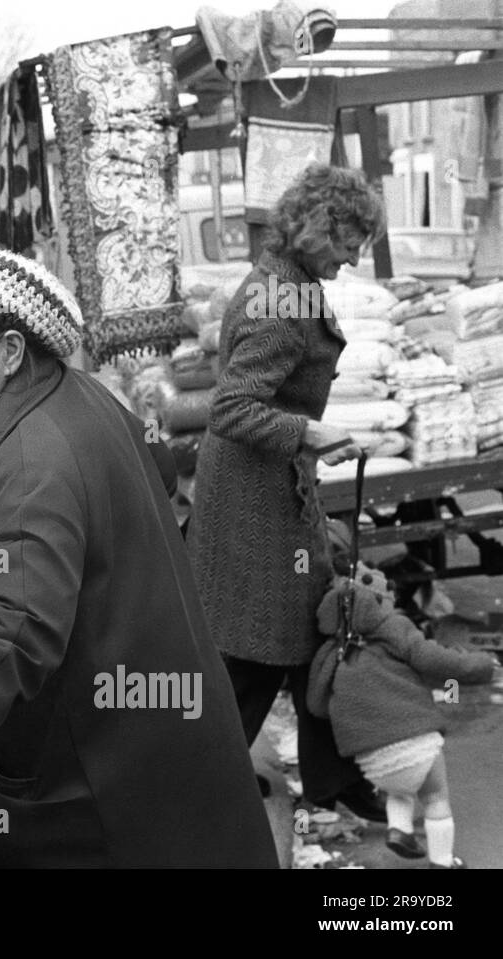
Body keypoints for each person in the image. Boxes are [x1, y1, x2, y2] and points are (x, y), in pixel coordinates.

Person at [0, 248, 277, 868]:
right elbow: (158, 469)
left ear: (13, 350)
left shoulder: (31, 460)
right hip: (140, 741)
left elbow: (19, 628)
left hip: (96, 773)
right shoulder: (75, 397)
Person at [185, 163, 388, 820]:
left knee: (308, 628)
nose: (354, 256)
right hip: (255, 499)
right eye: (350, 239)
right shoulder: (279, 295)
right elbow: (232, 409)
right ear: (317, 226)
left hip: (265, 491)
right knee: (260, 647)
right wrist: (310, 433)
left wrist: (307, 438)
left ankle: (330, 778)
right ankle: (200, 784)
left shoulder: (289, 281)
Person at [306, 564, 503, 868]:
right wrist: (484, 667)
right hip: (414, 743)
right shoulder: (393, 628)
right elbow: (434, 659)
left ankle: (399, 830)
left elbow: (317, 706)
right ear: (378, 600)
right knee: (436, 798)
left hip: (371, 760)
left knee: (399, 791)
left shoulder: (332, 652)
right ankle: (443, 862)